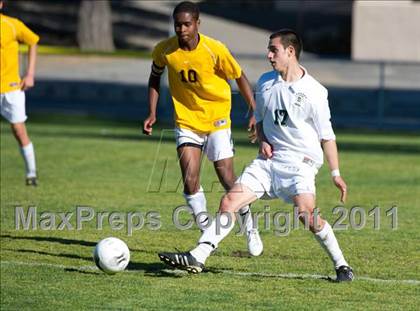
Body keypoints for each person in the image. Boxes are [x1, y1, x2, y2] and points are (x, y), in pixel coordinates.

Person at [158, 29, 354, 282]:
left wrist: (335, 174)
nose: (269, 55)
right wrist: (262, 140)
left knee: (307, 215)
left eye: (274, 50)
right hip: (268, 163)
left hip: (300, 164)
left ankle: (342, 265)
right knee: (229, 202)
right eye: (268, 49)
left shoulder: (315, 91)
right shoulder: (265, 82)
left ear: (290, 52)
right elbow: (260, 119)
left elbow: (327, 136)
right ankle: (198, 255)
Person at [143, 1, 263, 256]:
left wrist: (254, 110)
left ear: (197, 23)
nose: (182, 29)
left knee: (228, 179)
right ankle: (207, 230)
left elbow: (239, 76)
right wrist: (152, 112)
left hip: (218, 118)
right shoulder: (165, 50)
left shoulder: (214, 49)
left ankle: (250, 228)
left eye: (187, 24)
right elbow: (155, 76)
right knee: (189, 178)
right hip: (187, 121)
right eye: (178, 24)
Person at [0, 0, 39, 186]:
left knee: (18, 130)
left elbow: (33, 41)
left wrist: (30, 73)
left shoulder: (11, 25)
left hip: (11, 88)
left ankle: (31, 173)